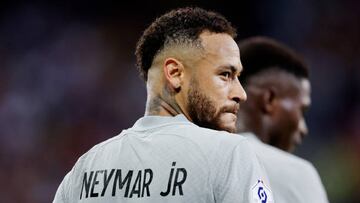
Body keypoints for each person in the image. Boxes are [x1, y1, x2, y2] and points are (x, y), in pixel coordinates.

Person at [53, 7, 273, 203]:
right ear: (175, 73)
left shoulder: (85, 169)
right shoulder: (229, 153)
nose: (241, 94)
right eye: (225, 75)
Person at [236, 36, 328, 203]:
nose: (303, 129)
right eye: (301, 110)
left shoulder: (198, 159)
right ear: (269, 100)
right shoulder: (298, 174)